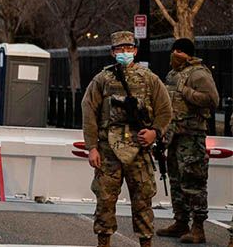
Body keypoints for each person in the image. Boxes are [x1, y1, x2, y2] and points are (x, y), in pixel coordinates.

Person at [81, 31, 172, 247]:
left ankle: (145, 243)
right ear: (113, 52)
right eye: (120, 49)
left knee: (143, 201)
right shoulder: (102, 79)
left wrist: (154, 132)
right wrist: (92, 147)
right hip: (108, 151)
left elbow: (165, 110)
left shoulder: (150, 79)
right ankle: (103, 242)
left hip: (139, 150)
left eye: (129, 48)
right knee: (105, 200)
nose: (125, 52)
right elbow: (89, 111)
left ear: (135, 51)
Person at [156, 38, 219, 243]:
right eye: (174, 50)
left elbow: (212, 100)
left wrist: (186, 91)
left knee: (193, 181)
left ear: (189, 54)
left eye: (180, 51)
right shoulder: (172, 74)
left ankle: (198, 227)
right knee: (176, 180)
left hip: (192, 135)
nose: (175, 54)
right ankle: (180, 221)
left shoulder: (199, 74)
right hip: (174, 135)